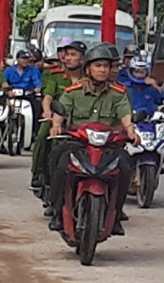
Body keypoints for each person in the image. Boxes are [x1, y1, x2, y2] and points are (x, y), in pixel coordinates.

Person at [48, 43, 138, 236]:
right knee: (59, 159)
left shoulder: (118, 93)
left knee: (125, 166)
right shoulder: (74, 91)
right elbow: (60, 112)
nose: (103, 70)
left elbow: (125, 115)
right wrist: (56, 125)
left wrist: (131, 131)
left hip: (108, 145)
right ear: (88, 68)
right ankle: (56, 210)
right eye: (98, 66)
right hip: (78, 143)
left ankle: (116, 214)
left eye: (106, 66)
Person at [30, 41, 86, 194]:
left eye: (72, 55)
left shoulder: (89, 79)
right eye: (66, 54)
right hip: (57, 117)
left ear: (82, 59)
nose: (67, 58)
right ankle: (38, 172)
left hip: (82, 121)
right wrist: (47, 111)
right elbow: (47, 97)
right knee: (43, 136)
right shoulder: (55, 76)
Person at [4, 50, 43, 134]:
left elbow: (37, 83)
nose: (25, 61)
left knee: (36, 109)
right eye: (23, 58)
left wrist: (36, 89)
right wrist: (7, 90)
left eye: (27, 59)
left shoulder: (33, 70)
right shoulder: (9, 70)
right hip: (12, 95)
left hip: (27, 95)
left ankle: (34, 132)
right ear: (18, 59)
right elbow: (3, 82)